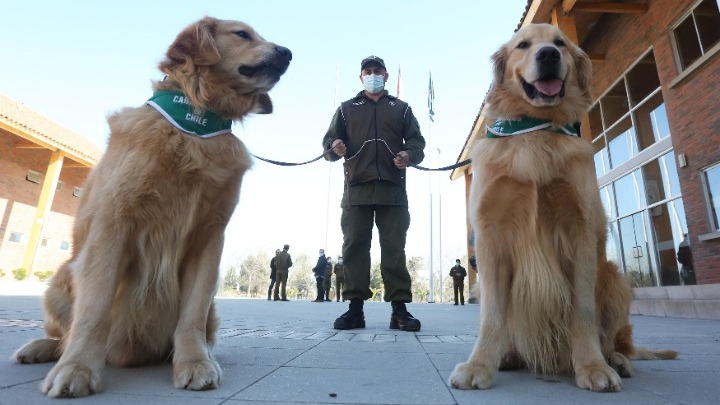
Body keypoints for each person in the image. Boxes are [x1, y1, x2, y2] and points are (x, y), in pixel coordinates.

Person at [322, 55, 426, 331]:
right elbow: (328, 144)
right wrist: (335, 146)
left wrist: (409, 154)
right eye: (367, 72)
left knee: (394, 248)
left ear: (386, 75)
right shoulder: (346, 109)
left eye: (377, 71)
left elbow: (417, 142)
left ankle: (400, 311)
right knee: (355, 247)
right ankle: (355, 310)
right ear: (361, 77)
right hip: (356, 190)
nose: (372, 75)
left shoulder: (401, 109)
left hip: (393, 189)